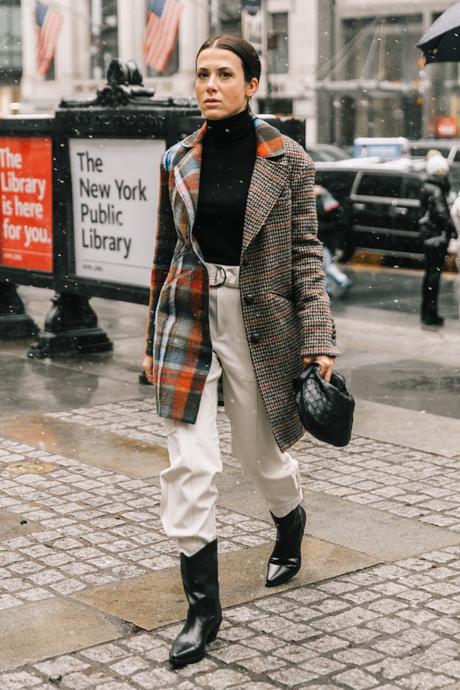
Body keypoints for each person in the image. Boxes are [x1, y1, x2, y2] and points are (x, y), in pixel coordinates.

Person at [142, 35, 339, 668]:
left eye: (225, 74)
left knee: (261, 455)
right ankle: (203, 610)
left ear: (252, 84)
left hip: (261, 321)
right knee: (191, 466)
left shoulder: (289, 160)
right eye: (202, 74)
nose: (210, 85)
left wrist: (318, 340)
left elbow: (307, 256)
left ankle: (290, 518)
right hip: (186, 318)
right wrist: (152, 339)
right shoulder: (177, 157)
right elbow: (164, 254)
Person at [419, 153, 457, 326]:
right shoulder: (435, 189)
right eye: (440, 169)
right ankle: (430, 313)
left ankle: (426, 311)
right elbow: (442, 213)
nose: (443, 172)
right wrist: (453, 230)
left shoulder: (428, 187)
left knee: (430, 274)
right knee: (433, 275)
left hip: (429, 235)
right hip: (436, 236)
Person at [314, 184, 352, 297]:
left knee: (326, 265)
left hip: (324, 240)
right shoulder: (332, 206)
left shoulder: (320, 206)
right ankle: (328, 288)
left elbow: (322, 226)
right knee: (325, 264)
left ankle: (342, 281)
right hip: (330, 240)